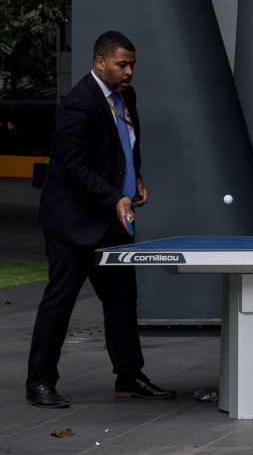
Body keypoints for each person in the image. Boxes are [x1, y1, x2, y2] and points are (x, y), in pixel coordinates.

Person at [25, 31, 176, 408]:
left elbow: (126, 146)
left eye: (132, 65)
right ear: (99, 63)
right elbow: (72, 167)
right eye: (121, 65)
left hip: (111, 219)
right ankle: (39, 382)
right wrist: (115, 196)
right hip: (72, 222)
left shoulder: (126, 97)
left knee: (123, 299)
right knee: (60, 301)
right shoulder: (78, 105)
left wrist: (135, 178)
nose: (129, 72)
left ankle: (128, 376)